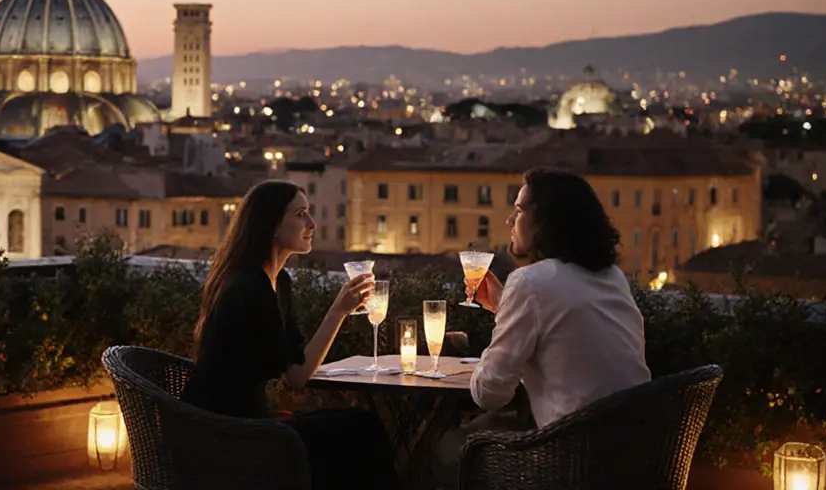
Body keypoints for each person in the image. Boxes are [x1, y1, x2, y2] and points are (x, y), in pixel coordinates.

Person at [434, 168, 652, 484]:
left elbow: (488, 394)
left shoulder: (529, 283)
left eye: (520, 210)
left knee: (445, 451)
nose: (510, 220)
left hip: (570, 460)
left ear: (545, 223)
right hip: (637, 454)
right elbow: (565, 343)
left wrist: (489, 347)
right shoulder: (611, 278)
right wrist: (503, 305)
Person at [183, 179, 398, 489]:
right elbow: (297, 377)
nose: (311, 223)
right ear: (271, 224)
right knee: (362, 433)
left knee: (359, 428)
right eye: (300, 214)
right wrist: (338, 311)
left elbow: (295, 368)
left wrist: (340, 311)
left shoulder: (277, 282)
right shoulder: (251, 288)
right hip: (229, 431)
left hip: (246, 421)